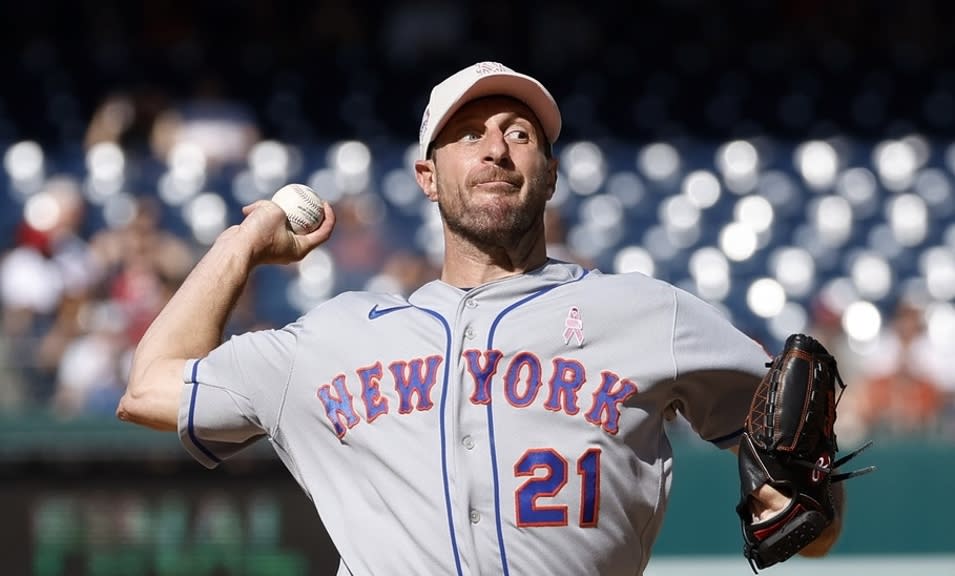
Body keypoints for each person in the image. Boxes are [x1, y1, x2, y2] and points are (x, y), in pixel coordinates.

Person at [117, 61, 842, 575]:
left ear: (550, 174)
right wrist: (240, 244)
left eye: (520, 133)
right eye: (468, 134)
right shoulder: (332, 340)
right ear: (427, 178)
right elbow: (148, 388)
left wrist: (807, 498)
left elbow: (811, 518)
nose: (495, 147)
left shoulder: (649, 315)